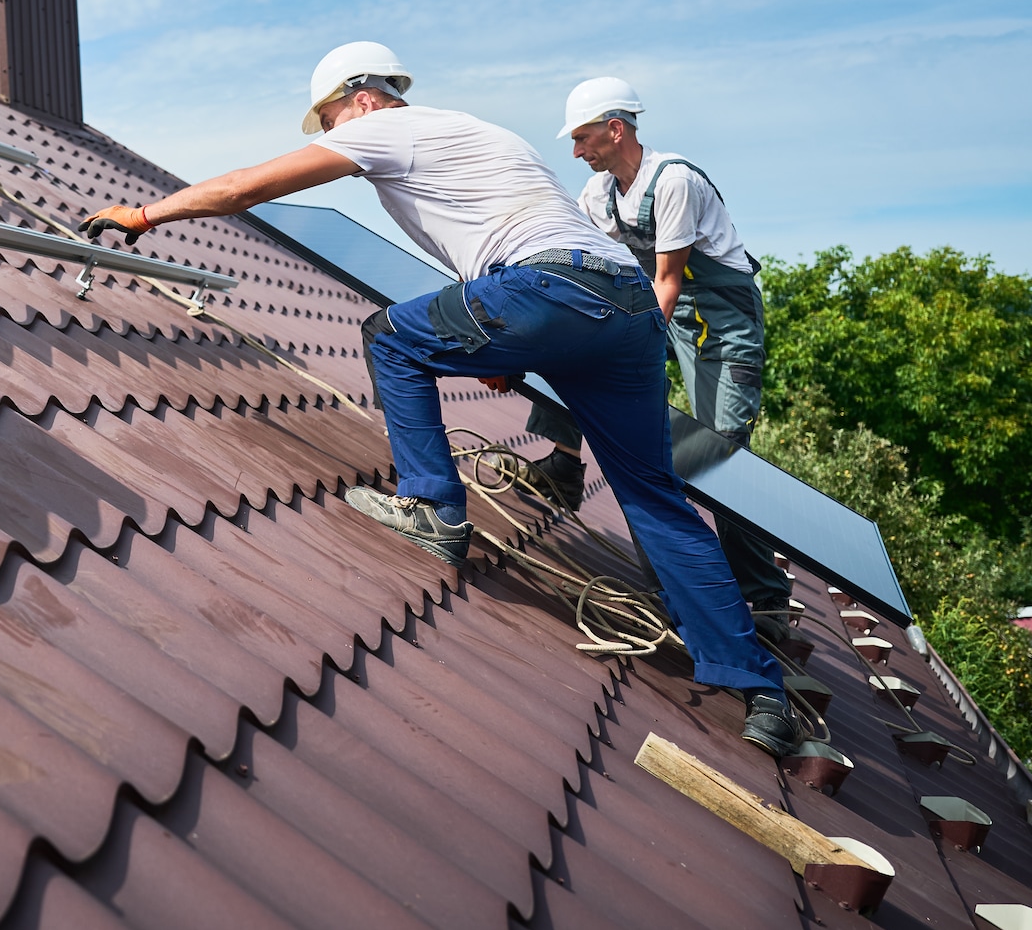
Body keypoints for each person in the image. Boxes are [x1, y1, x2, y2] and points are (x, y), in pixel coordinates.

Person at [83, 43, 801, 756]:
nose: (333, 136)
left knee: (390, 337)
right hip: (630, 309)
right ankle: (762, 692)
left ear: (363, 99)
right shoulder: (481, 134)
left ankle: (432, 506)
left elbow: (246, 187)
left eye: (330, 120)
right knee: (654, 496)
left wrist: (144, 215)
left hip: (550, 287)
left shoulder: (384, 128)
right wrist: (514, 346)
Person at [551, 77, 795, 640]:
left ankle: (764, 598)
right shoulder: (599, 194)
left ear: (616, 130)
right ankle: (563, 462)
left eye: (583, 137)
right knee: (569, 342)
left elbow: (668, 279)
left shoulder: (674, 181)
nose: (577, 151)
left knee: (721, 453)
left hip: (721, 320)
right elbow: (583, 260)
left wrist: (629, 349)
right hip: (664, 309)